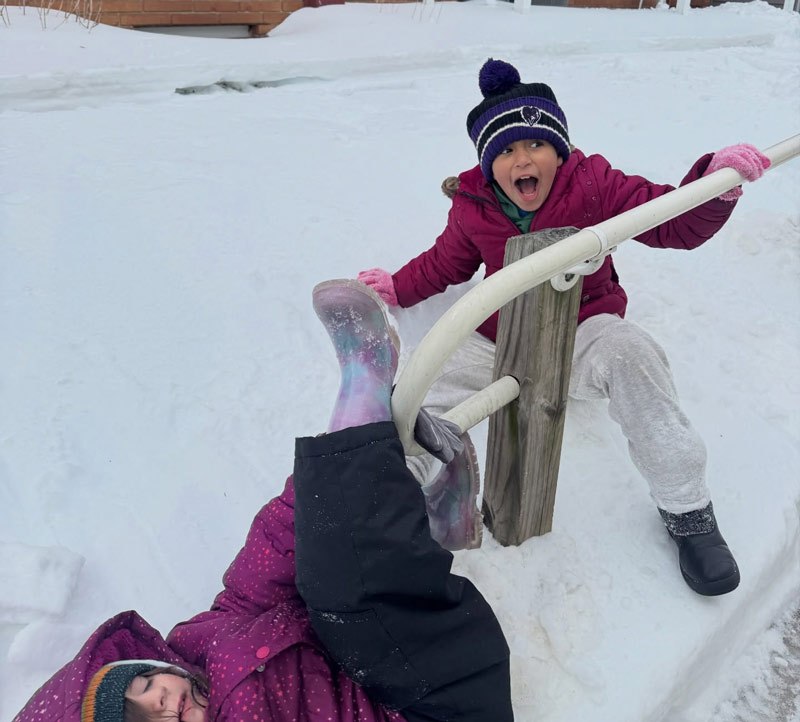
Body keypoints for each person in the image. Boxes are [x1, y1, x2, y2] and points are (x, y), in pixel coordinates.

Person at [357, 58, 772, 597]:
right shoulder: (473, 205)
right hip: (499, 336)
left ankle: (687, 508)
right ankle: (390, 506)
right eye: (505, 150)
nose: (522, 160)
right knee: (422, 390)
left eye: (535, 144)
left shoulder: (593, 183)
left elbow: (669, 218)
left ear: (560, 150)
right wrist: (397, 286)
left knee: (633, 355)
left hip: (583, 331)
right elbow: (446, 263)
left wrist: (715, 185)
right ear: (488, 164)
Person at [13, 280, 513, 722]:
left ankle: (410, 486)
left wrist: (318, 497)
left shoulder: (198, 644)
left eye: (143, 685)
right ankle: (366, 404)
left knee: (316, 540)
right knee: (345, 581)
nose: (158, 701)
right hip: (434, 703)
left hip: (380, 658)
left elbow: (257, 582)